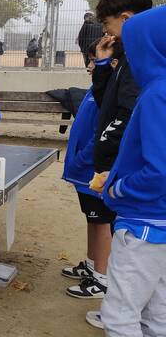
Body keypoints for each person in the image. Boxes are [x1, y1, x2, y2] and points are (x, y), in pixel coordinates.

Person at [63, 5, 166, 337]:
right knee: (157, 316)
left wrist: (117, 187)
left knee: (121, 318)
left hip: (143, 224)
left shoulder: (156, 95)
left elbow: (157, 173)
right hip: (161, 228)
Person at [66, 0, 153, 301]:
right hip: (113, 170)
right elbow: (107, 107)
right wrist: (102, 68)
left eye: (107, 24)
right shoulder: (125, 61)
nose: (105, 32)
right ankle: (105, 282)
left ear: (126, 19)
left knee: (129, 253)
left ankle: (114, 299)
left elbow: (125, 117)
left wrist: (103, 153)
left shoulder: (140, 65)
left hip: (126, 176)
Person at [61, 40, 116, 314]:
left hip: (92, 171)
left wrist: (82, 159)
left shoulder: (109, 94)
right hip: (82, 171)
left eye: (94, 60)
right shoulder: (96, 90)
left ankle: (102, 279)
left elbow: (101, 136)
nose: (89, 66)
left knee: (102, 222)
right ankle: (92, 265)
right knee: (92, 220)